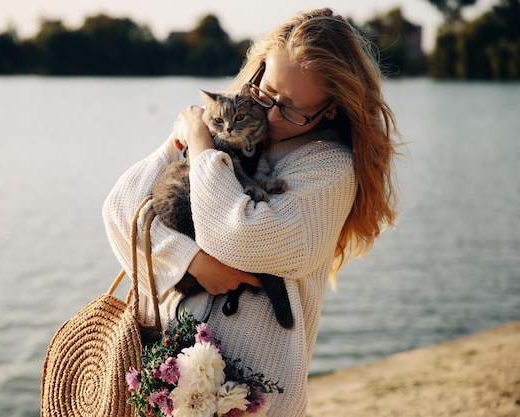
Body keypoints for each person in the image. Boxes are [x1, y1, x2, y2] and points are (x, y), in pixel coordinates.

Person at [103, 7, 400, 416]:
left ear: (331, 109)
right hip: (165, 376)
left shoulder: (328, 169)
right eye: (267, 94)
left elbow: (241, 237)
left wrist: (201, 145)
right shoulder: (227, 118)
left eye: (292, 108)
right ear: (257, 74)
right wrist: (190, 261)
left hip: (255, 393)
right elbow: (122, 208)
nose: (271, 116)